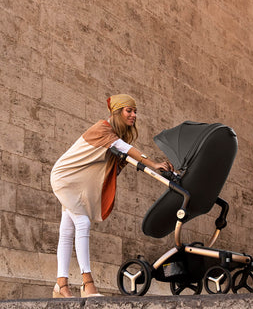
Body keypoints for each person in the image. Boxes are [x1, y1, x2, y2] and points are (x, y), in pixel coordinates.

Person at [50, 94, 173, 298]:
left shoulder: (115, 136)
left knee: (67, 229)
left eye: (135, 111)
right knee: (82, 223)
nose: (134, 115)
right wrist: (153, 164)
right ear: (117, 112)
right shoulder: (103, 128)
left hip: (73, 182)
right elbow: (125, 149)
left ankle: (61, 285)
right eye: (129, 111)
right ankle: (87, 283)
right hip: (65, 177)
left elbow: (117, 162)